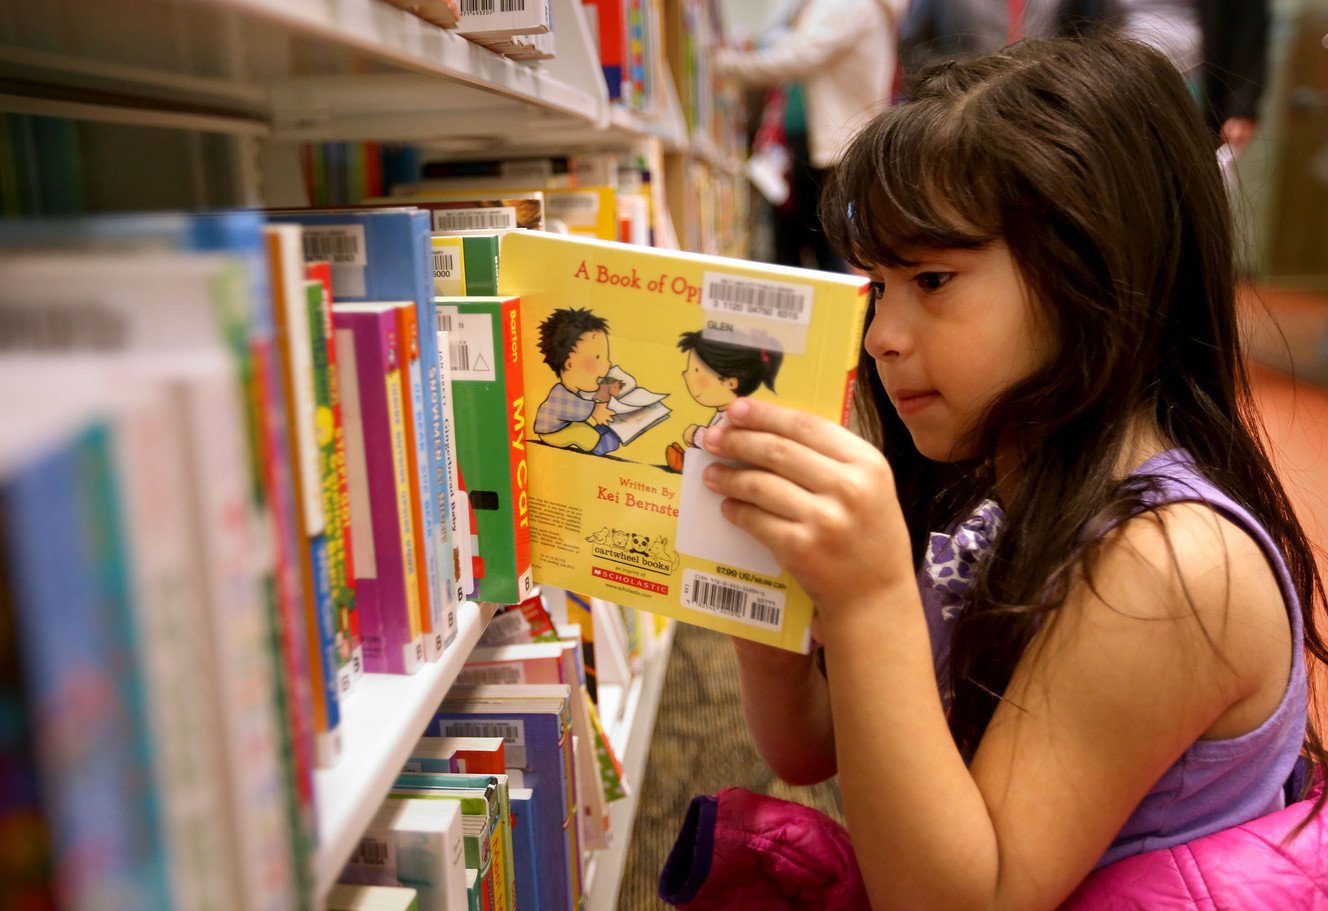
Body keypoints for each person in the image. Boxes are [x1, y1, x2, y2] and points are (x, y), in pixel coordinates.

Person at [695, 35, 1328, 909]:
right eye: (878, 285)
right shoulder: (999, 480)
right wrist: (751, 573)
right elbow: (811, 743)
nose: (883, 334)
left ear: (1092, 274)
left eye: (933, 277)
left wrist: (873, 596)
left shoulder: (1169, 567)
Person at [713, 0, 905, 271]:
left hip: (835, 149)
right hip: (814, 147)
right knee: (812, 248)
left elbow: (800, 57)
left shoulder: (847, 5)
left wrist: (723, 64)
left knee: (831, 254)